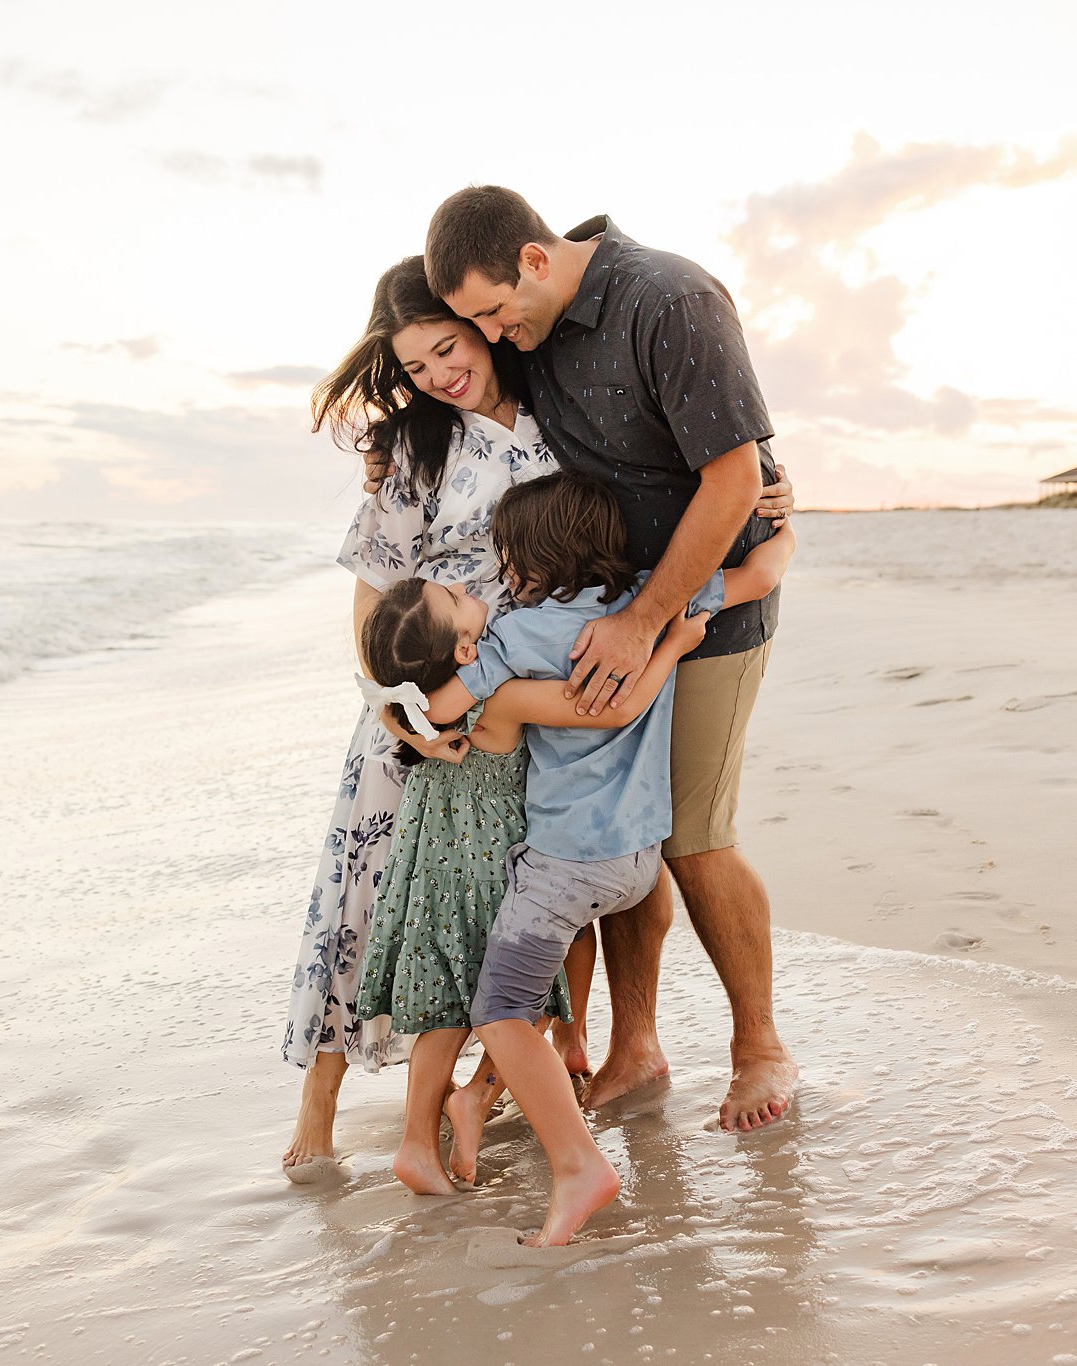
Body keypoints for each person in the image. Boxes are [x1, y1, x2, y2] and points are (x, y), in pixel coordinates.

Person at [281, 256, 794, 1174]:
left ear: (485, 321)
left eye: (450, 344)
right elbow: (373, 596)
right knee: (366, 894)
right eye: (416, 365)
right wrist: (394, 704)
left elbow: (689, 466)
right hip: (430, 693)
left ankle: (541, 1063)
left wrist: (773, 498)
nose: (440, 372)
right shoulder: (413, 448)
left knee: (535, 884)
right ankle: (318, 1105)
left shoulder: (565, 408)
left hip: (535, 688)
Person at [423, 186, 799, 1133]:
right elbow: (455, 380)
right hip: (601, 612)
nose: (493, 335)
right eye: (474, 322)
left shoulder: (668, 298)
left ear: (536, 261)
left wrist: (648, 620)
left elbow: (736, 475)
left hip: (697, 609)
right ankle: (636, 1049)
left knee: (694, 832)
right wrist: (392, 446)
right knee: (622, 829)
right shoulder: (532, 330)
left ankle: (760, 1049)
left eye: (493, 311)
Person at [417, 471, 794, 1243]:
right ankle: (521, 1095)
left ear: (528, 560)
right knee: (524, 992)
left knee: (500, 1012)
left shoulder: (516, 636)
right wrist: (787, 525)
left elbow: (443, 708)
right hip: (638, 865)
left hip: (565, 869)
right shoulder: (654, 601)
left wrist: (432, 716)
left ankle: (578, 1164)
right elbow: (762, 572)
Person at [353, 573, 703, 1194]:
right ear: (465, 650)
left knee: (448, 1007)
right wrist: (671, 647)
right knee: (516, 1003)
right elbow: (612, 710)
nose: (465, 585)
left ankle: (429, 1133)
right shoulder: (501, 695)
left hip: (433, 865)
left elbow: (383, 692)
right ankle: (452, 1116)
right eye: (456, 600)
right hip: (489, 864)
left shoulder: (418, 706)